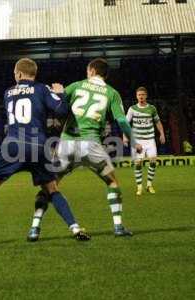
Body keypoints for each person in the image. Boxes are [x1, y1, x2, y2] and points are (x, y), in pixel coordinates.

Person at [0, 58, 89, 247]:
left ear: (20, 74)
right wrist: (61, 94)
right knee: (52, 190)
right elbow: (62, 111)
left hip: (13, 145)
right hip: (39, 146)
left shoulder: (7, 93)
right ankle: (75, 227)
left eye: (15, 73)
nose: (14, 76)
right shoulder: (41, 89)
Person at [27, 58, 142, 241]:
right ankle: (118, 226)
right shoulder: (112, 93)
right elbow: (121, 120)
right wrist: (134, 141)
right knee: (112, 182)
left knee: (50, 186)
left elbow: (57, 104)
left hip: (67, 144)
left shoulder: (76, 86)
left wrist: (59, 92)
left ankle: (35, 227)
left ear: (90, 71)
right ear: (105, 75)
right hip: (91, 146)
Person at [123, 87, 165, 195]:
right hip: (138, 141)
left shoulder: (152, 108)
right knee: (138, 163)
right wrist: (125, 136)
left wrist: (162, 134)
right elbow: (126, 124)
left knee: (153, 161)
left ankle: (149, 185)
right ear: (136, 96)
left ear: (146, 96)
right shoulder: (132, 109)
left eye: (142, 95)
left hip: (150, 140)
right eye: (139, 95)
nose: (141, 97)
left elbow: (158, 122)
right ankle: (139, 187)